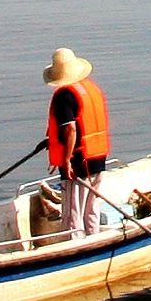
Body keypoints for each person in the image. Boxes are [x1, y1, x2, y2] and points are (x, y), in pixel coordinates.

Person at [41, 49, 111, 245]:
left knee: (73, 211)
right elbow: (82, 124)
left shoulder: (64, 95)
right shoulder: (89, 89)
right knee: (91, 206)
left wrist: (65, 160)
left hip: (78, 160)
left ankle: (74, 246)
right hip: (97, 155)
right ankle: (94, 239)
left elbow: (71, 130)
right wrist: (51, 141)